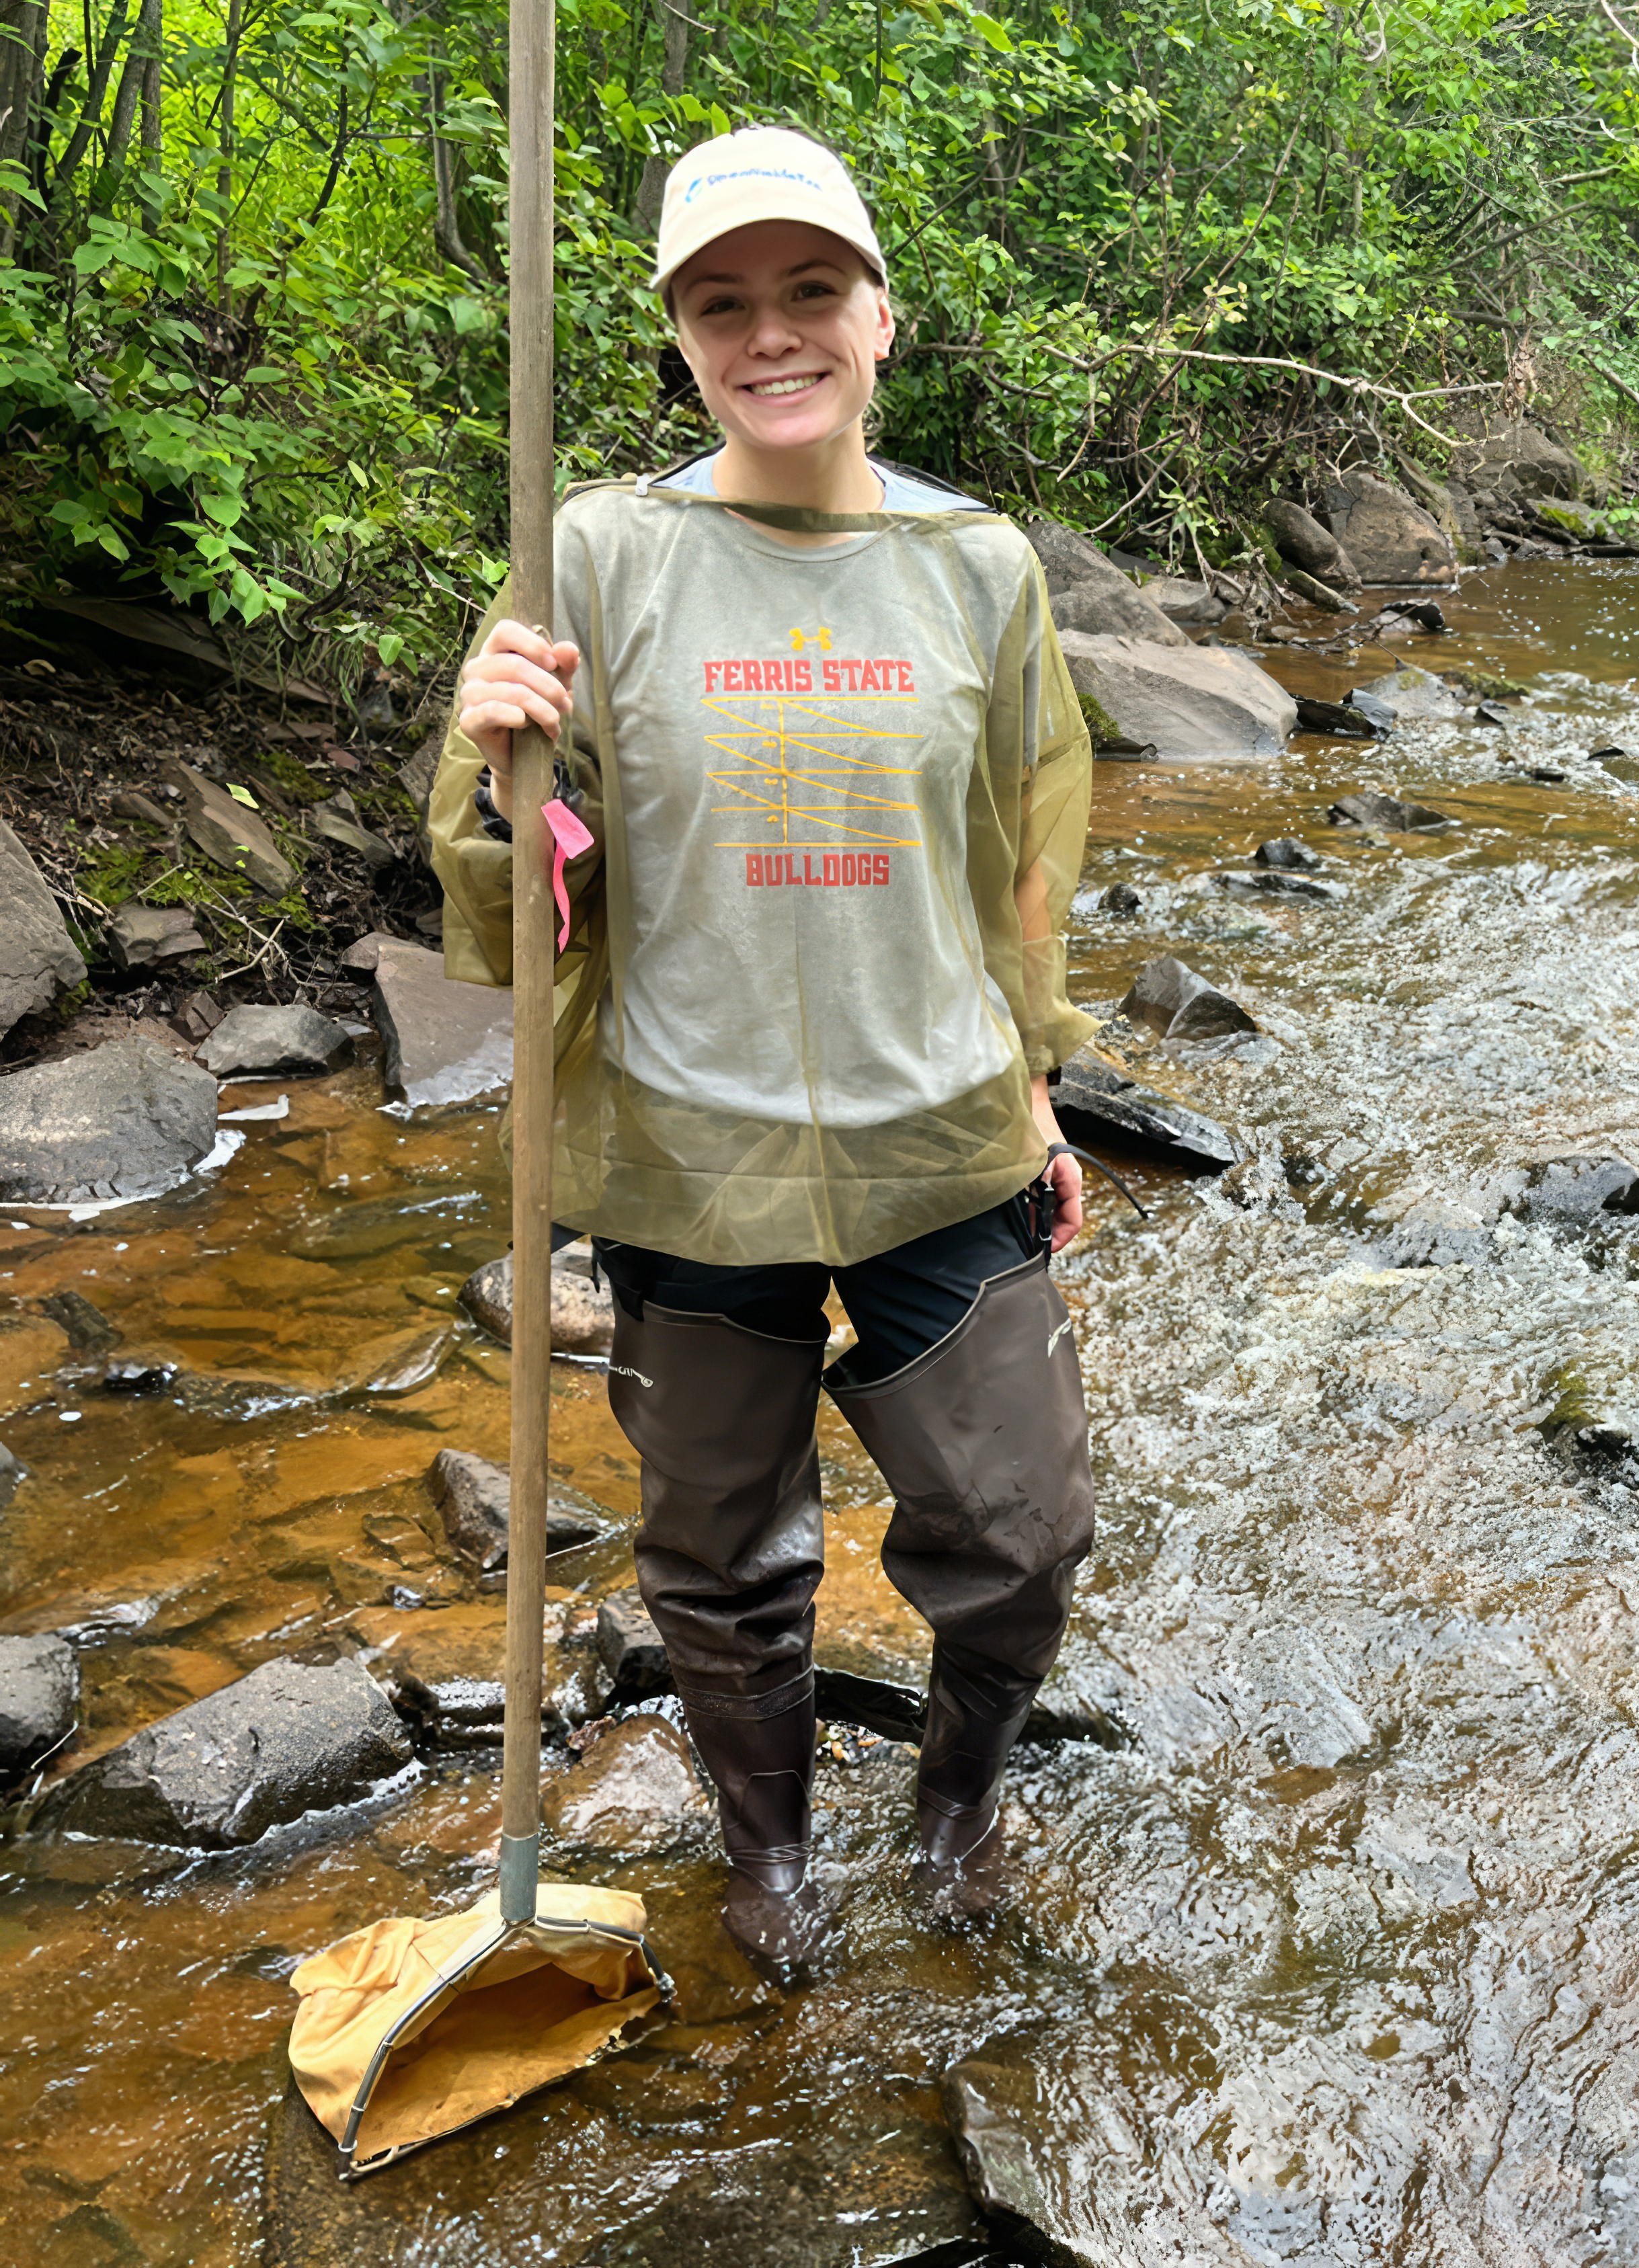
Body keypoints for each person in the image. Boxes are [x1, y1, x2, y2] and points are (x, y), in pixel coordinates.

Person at [429, 124, 1103, 1987]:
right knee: (720, 1556)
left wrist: (1040, 1078)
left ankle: (960, 1795)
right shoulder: (598, 551)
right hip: (689, 1146)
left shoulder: (977, 564)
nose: (772, 331)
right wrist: (494, 774)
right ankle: (771, 1847)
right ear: (678, 335)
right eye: (723, 301)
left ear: (882, 314)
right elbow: (517, 915)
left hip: (938, 1132)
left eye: (813, 288)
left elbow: (1024, 851)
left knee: (1022, 1530)